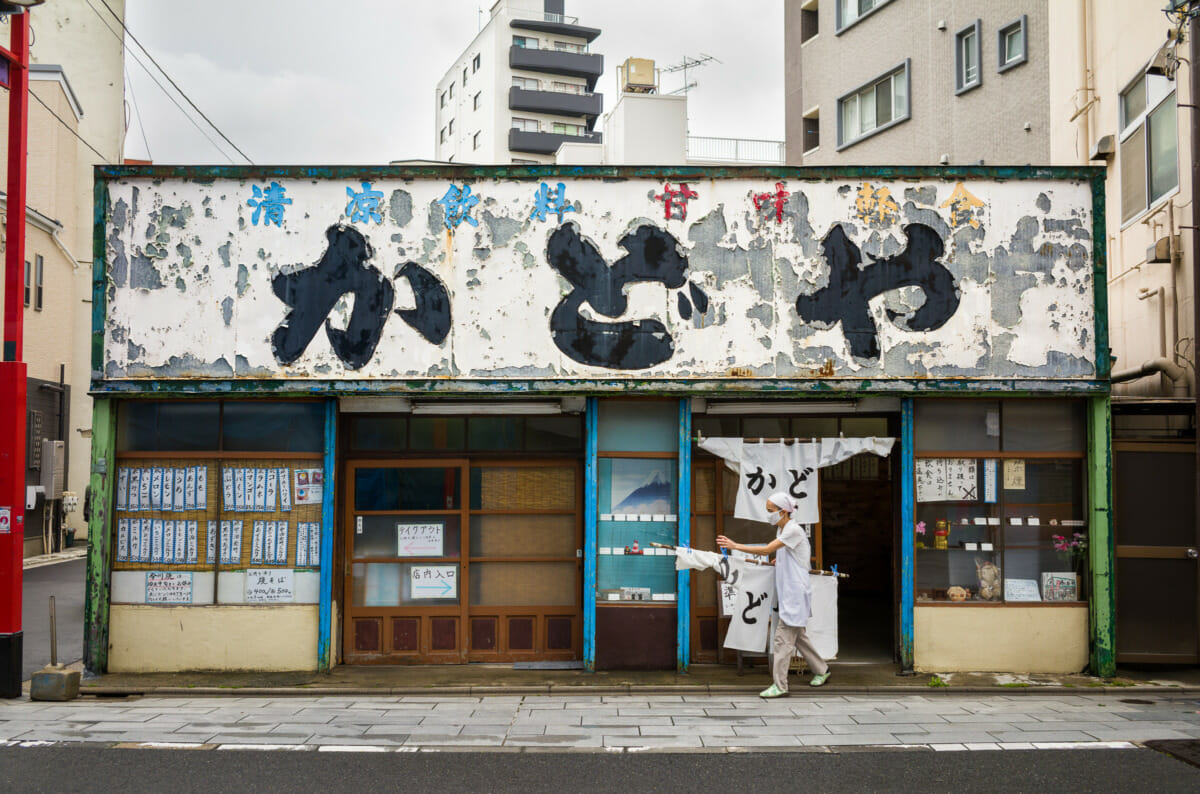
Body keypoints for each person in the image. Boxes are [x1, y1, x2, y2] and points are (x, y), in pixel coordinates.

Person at [716, 491, 830, 697]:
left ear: (783, 512)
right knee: (799, 637)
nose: (768, 514)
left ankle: (780, 685)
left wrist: (735, 546)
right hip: (791, 592)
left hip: (794, 594)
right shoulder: (783, 529)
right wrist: (782, 560)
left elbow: (767, 550)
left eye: (770, 511)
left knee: (782, 641)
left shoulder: (792, 530)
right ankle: (822, 669)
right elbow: (793, 555)